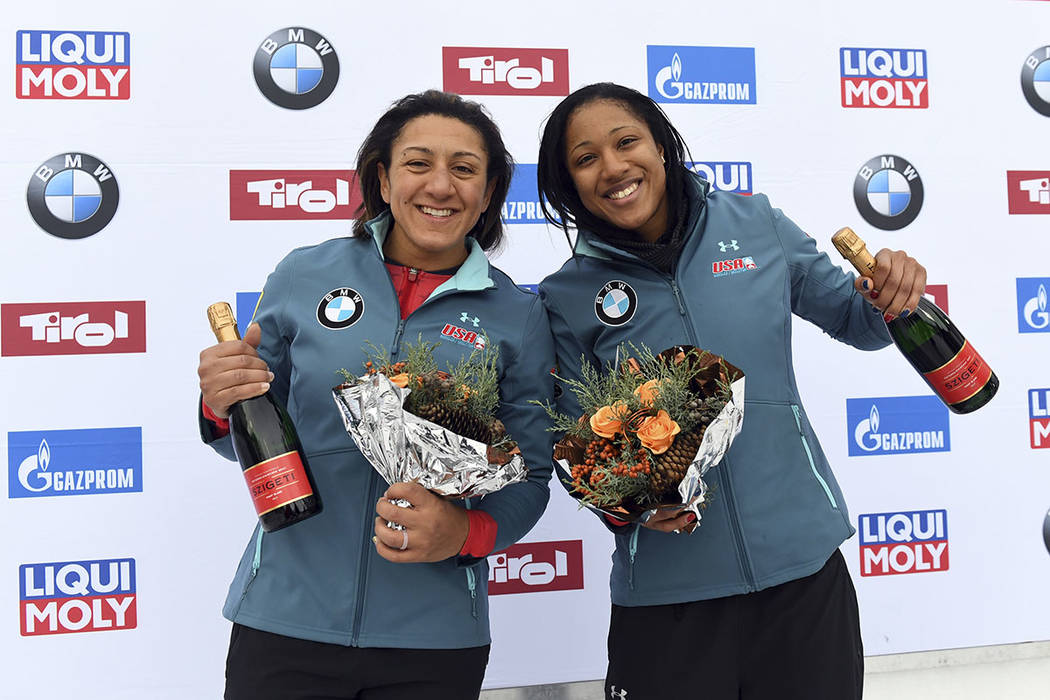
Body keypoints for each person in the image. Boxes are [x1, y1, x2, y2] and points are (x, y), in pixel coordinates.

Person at [536, 83, 927, 700]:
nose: (612, 167)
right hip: (668, 599)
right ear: (569, 184)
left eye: (626, 141)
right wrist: (627, 502)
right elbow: (571, 447)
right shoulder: (565, 295)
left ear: (661, 147)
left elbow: (859, 322)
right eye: (585, 159)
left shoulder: (757, 225)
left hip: (802, 574)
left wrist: (892, 297)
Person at [197, 90, 556, 700]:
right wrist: (219, 400)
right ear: (383, 180)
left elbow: (529, 476)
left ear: (490, 193)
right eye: (418, 164)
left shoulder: (517, 314)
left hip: (433, 641)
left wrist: (465, 536)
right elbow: (252, 434)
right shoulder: (303, 273)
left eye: (464, 169)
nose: (440, 186)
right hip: (285, 622)